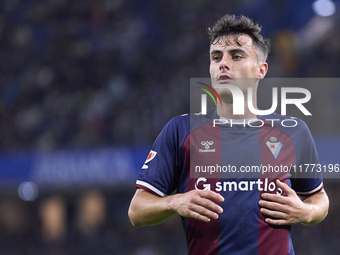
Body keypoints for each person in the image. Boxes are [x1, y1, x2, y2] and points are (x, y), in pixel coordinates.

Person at [128, 14, 329, 255]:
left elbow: (318, 199)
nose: (223, 63)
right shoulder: (181, 130)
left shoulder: (293, 131)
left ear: (261, 69)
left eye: (236, 56)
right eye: (216, 57)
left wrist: (306, 212)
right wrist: (175, 201)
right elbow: (137, 211)